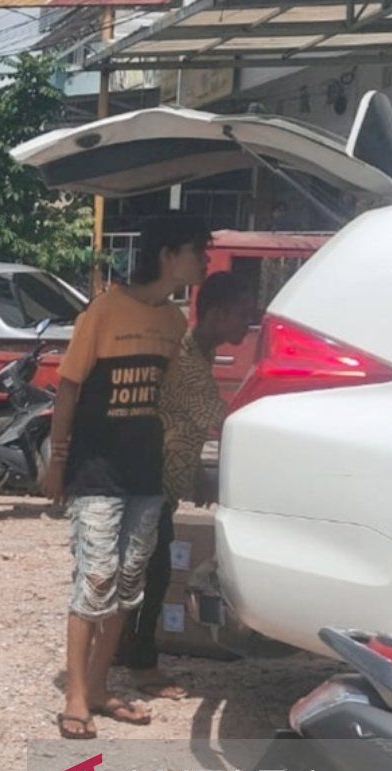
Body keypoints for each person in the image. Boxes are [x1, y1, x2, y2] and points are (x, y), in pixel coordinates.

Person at [41, 213, 210, 740]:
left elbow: (172, 401)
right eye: (197, 251)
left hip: (145, 476)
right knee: (94, 580)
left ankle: (96, 687)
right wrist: (58, 462)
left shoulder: (174, 324)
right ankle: (74, 695)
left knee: (126, 587)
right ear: (167, 256)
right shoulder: (104, 311)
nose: (204, 261)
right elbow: (68, 389)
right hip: (96, 472)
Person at [118, 272, 252, 700]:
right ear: (216, 314)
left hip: (160, 482)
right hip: (149, 482)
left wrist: (195, 474)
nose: (247, 324)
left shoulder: (198, 354)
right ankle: (141, 666)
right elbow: (225, 422)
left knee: (145, 572)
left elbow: (181, 425)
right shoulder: (192, 364)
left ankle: (127, 650)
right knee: (152, 575)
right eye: (242, 316)